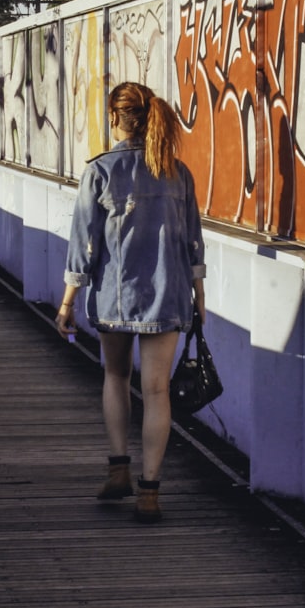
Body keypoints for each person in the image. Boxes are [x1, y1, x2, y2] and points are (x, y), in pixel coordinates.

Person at [56, 81, 206, 523]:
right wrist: (199, 297)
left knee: (116, 375)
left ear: (116, 118)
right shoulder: (178, 172)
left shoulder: (101, 170)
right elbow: (192, 243)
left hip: (115, 296)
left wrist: (67, 303)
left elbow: (83, 245)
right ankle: (150, 491)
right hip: (168, 295)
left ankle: (118, 469)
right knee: (157, 391)